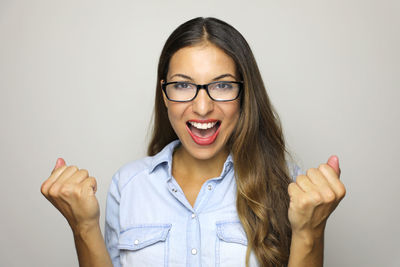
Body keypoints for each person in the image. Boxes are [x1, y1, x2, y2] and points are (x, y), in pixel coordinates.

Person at [41, 17, 346, 267]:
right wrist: (84, 228)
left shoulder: (290, 186)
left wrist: (311, 231)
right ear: (164, 94)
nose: (202, 107)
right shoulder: (129, 185)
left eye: (222, 85)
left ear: (244, 94)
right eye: (183, 85)